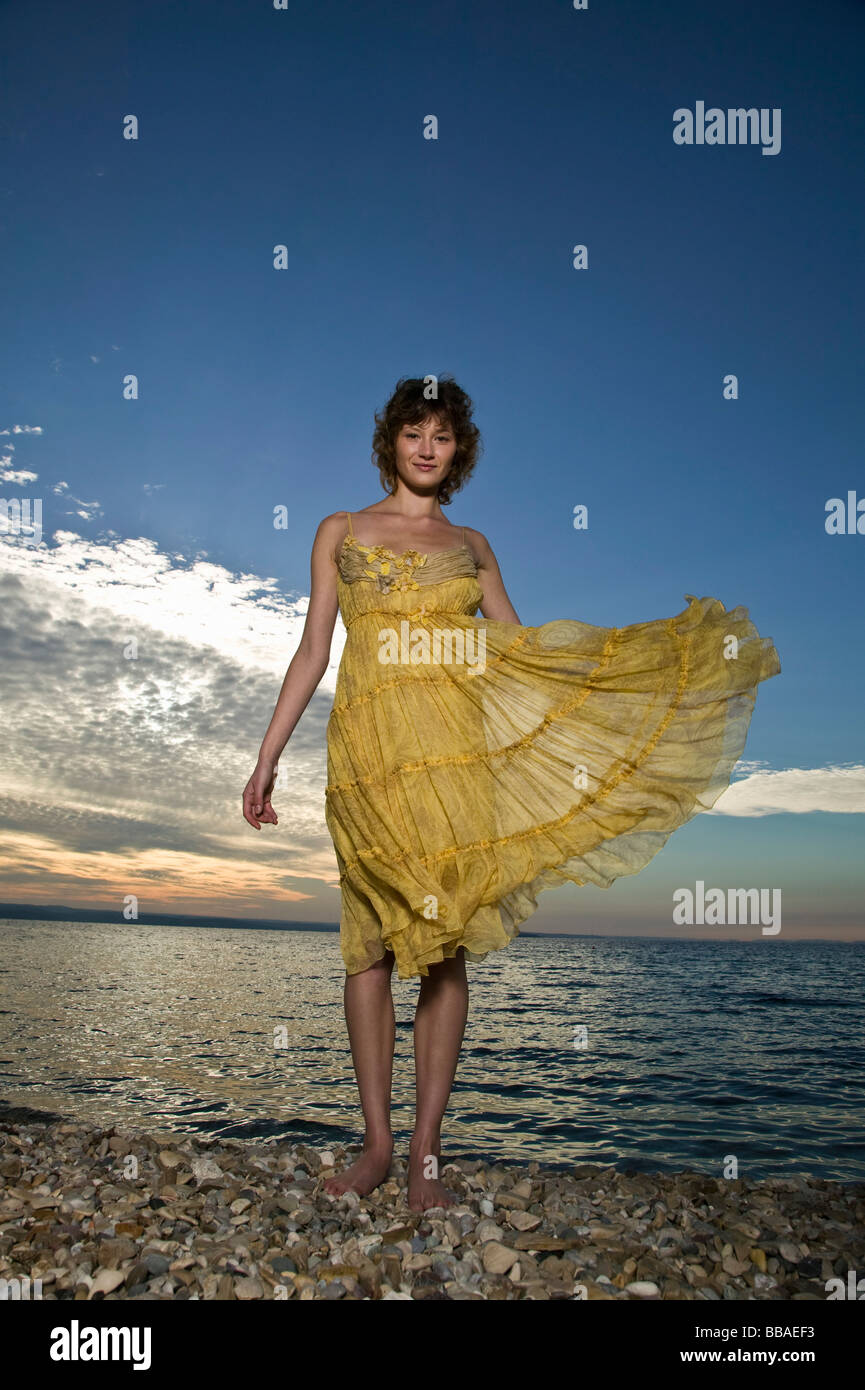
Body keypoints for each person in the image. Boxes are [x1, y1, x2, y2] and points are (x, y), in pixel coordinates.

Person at [242, 375, 781, 1212]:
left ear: (459, 452)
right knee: (368, 944)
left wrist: (625, 683)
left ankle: (425, 1150)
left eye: (443, 436)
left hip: (455, 760)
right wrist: (267, 755)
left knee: (444, 943)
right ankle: (375, 1144)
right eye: (413, 432)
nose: (427, 447)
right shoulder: (339, 531)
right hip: (368, 756)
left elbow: (522, 653)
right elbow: (313, 650)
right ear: (389, 440)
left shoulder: (475, 546)